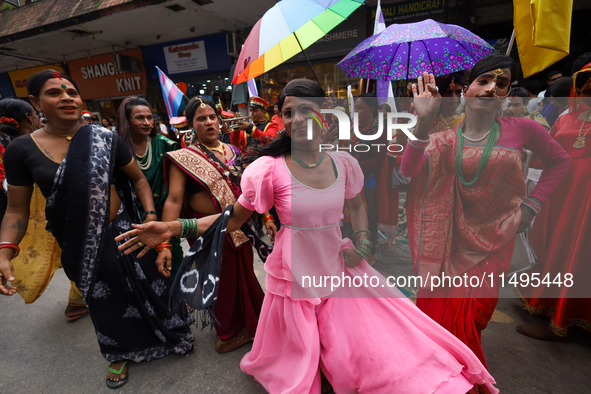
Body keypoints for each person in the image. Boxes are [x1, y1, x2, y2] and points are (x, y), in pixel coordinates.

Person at [117, 79, 501, 394]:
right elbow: (232, 220)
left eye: (306, 108)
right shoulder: (268, 170)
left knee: (371, 356)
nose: (297, 118)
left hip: (339, 263)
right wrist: (170, 228)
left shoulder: (343, 162)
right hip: (294, 270)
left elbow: (358, 206)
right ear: (281, 120)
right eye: (288, 112)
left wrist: (363, 242)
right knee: (300, 358)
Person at [0, 70, 194, 389]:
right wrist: (5, 250)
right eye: (54, 93)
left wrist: (148, 216)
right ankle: (119, 352)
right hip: (78, 242)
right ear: (35, 103)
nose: (66, 97)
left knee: (150, 288)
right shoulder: (21, 151)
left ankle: (169, 334)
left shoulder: (104, 138)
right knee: (105, 302)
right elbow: (16, 209)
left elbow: (138, 180)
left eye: (72, 92)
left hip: (126, 232)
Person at [401, 55, 571, 372]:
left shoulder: (523, 129)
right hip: (445, 245)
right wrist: (423, 125)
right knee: (435, 329)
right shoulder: (444, 134)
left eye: (502, 83)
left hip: (495, 241)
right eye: (483, 81)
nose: (492, 88)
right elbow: (409, 170)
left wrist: (531, 206)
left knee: (470, 323)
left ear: (507, 93)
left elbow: (560, 163)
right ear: (467, 89)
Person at [158, 96, 272, 353]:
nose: (209, 122)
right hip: (208, 230)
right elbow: (174, 200)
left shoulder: (232, 150)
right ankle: (229, 333)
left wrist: (265, 216)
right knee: (222, 281)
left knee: (244, 275)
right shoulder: (182, 158)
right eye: (201, 119)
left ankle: (253, 324)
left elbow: (248, 190)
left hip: (237, 223)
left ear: (219, 120)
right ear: (191, 124)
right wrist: (165, 239)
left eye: (212, 117)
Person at [516, 62, 591, 340]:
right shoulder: (566, 117)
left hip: (585, 199)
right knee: (555, 240)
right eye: (586, 88)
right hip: (561, 191)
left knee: (577, 247)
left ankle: (565, 318)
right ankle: (544, 302)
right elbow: (548, 151)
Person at [116, 96, 183, 278]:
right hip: (130, 220)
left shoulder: (167, 146)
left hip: (164, 215)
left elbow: (176, 192)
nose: (147, 123)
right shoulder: (116, 149)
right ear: (127, 121)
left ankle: (178, 303)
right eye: (139, 118)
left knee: (172, 261)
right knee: (139, 269)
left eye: (149, 117)